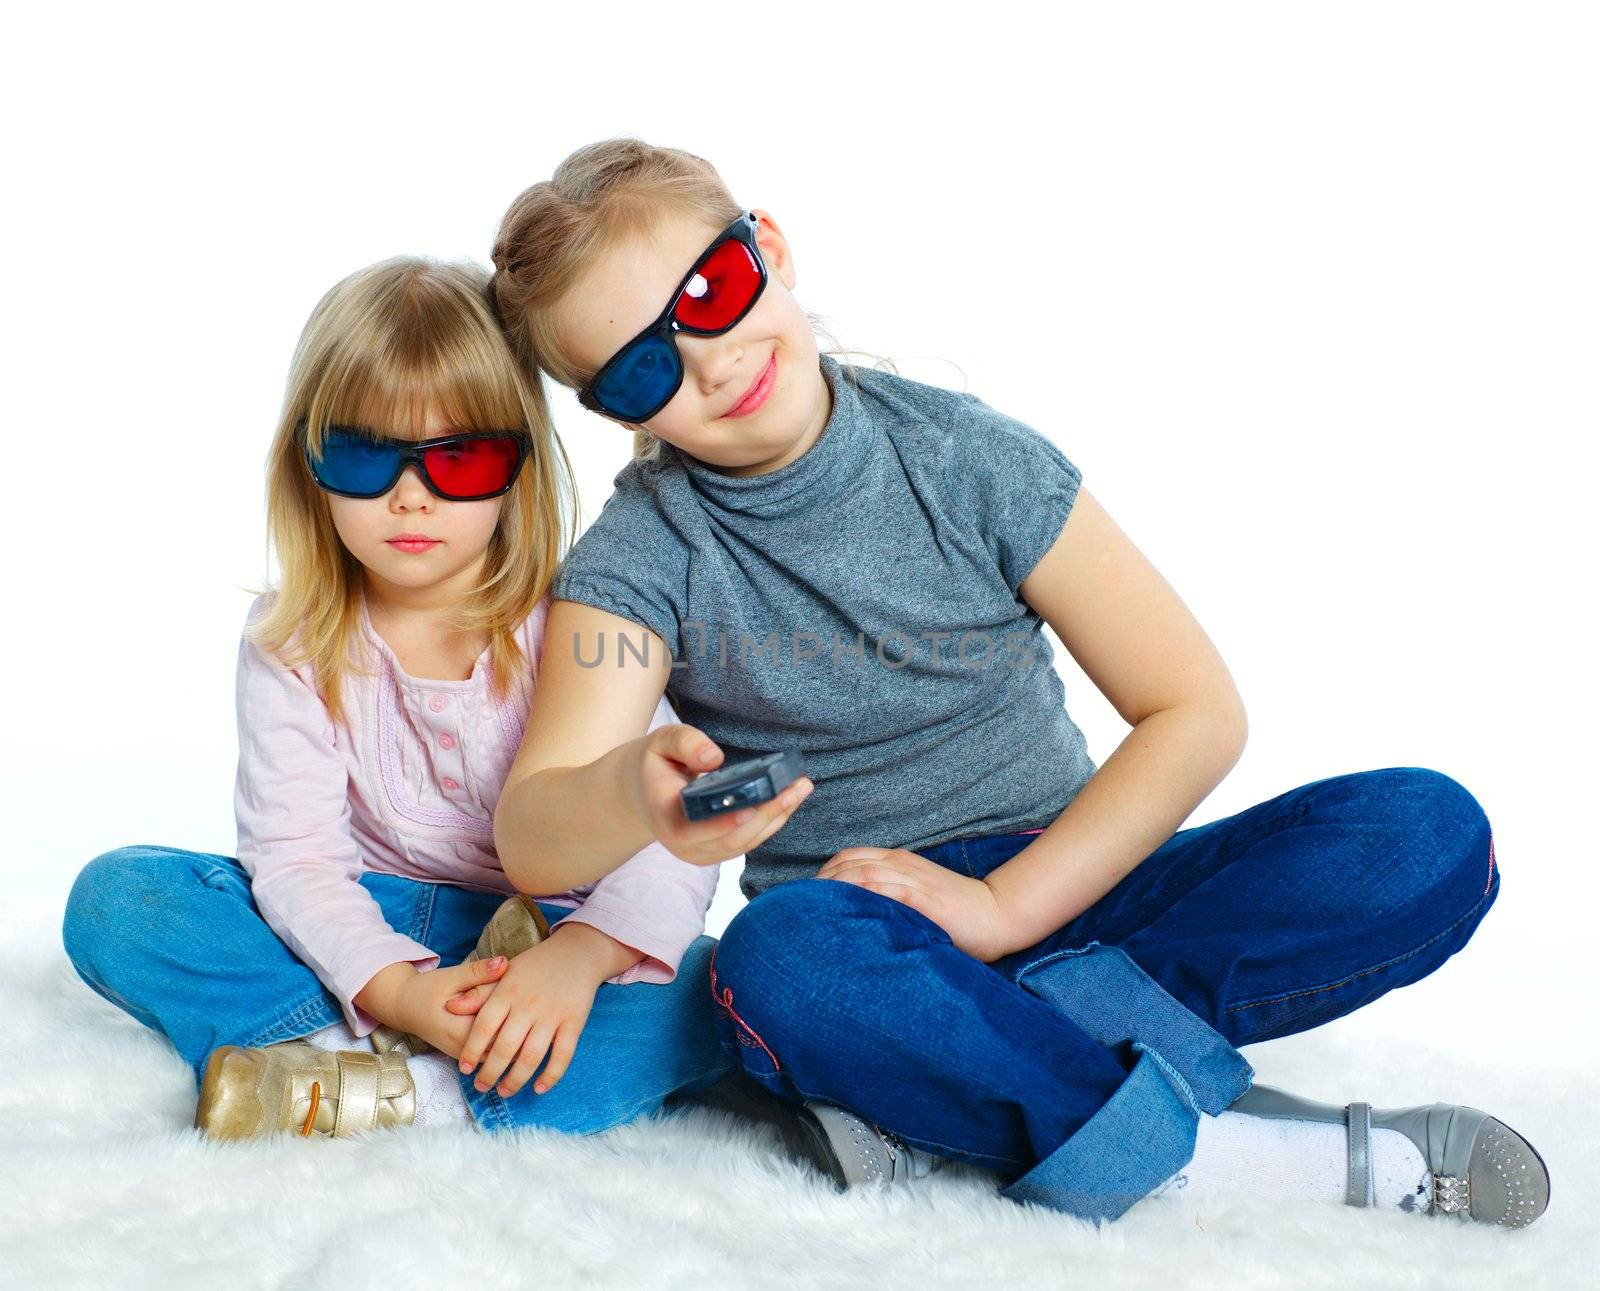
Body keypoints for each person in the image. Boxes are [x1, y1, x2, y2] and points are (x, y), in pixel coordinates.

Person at [479, 137, 1549, 1227]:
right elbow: (533, 831)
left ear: (770, 247)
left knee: (1424, 831)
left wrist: (1002, 908)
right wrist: (629, 797)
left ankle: (960, 1091)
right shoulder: (643, 559)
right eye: (645, 367)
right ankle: (1240, 1156)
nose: (707, 361)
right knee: (776, 961)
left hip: (1082, 882)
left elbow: (1194, 711)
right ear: (616, 413)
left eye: (713, 289)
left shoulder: (969, 460)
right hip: (878, 933)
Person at [61, 255, 736, 1139]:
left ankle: (411, 1095)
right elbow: (295, 858)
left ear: (517, 469)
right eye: (365, 454)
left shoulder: (582, 620)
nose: (411, 497)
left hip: (561, 932)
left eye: (459, 457)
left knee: (714, 990)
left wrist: (579, 957)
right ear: (310, 465)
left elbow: (667, 835)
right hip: (370, 914)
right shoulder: (292, 638)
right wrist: (403, 988)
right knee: (117, 900)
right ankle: (371, 1042)